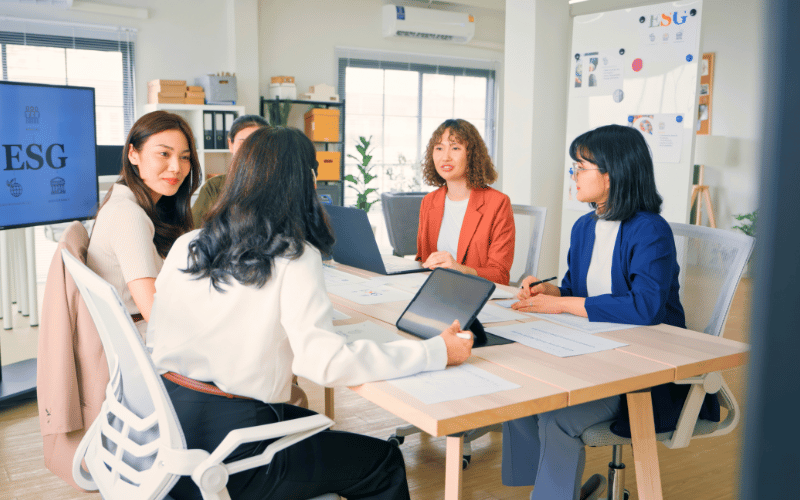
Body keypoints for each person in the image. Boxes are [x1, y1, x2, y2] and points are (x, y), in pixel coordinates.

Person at [148, 127, 474, 500]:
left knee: (318, 431)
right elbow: (324, 364)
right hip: (234, 457)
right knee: (383, 461)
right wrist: (435, 352)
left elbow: (157, 338)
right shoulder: (293, 254)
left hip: (172, 436)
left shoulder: (188, 245)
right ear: (303, 182)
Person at [502, 124, 719, 500]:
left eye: (581, 167)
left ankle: (552, 493)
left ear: (613, 173)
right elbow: (577, 292)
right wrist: (550, 291)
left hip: (644, 371)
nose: (573, 175)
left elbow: (645, 307)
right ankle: (545, 489)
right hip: (593, 354)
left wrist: (562, 303)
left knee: (557, 417)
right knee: (519, 392)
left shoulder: (650, 230)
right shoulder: (585, 227)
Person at [87, 110, 200, 337]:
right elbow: (155, 315)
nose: (176, 167)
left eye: (184, 157)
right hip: (144, 343)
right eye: (163, 154)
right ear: (133, 154)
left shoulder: (135, 204)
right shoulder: (127, 216)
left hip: (139, 335)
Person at [415, 118, 515, 285]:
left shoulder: (498, 203)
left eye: (455, 148)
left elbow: (500, 275)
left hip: (474, 295)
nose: (445, 157)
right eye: (439, 148)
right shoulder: (429, 201)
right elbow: (421, 259)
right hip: (434, 290)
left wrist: (461, 270)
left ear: (472, 155)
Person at [191, 114, 270, 228]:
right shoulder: (213, 187)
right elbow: (193, 233)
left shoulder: (279, 185)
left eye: (259, 144)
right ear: (230, 144)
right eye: (243, 143)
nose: (251, 150)